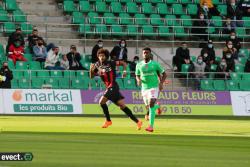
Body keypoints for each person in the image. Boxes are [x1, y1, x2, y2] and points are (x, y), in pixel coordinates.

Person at [89, 48, 142, 130]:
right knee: (122, 106)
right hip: (109, 87)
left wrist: (124, 71)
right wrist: (91, 70)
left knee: (101, 102)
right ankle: (138, 122)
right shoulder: (97, 65)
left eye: (103, 56)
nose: (101, 57)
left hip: (113, 85)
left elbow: (124, 63)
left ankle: (108, 120)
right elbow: (92, 77)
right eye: (100, 56)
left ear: (106, 56)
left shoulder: (111, 63)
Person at [135, 47, 167, 132]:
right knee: (149, 107)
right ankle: (158, 106)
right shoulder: (139, 65)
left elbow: (164, 74)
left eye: (147, 52)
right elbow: (137, 74)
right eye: (144, 53)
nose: (145, 54)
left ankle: (150, 126)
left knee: (151, 103)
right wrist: (138, 80)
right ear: (142, 54)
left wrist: (161, 83)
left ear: (150, 54)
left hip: (154, 87)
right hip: (144, 88)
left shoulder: (155, 64)